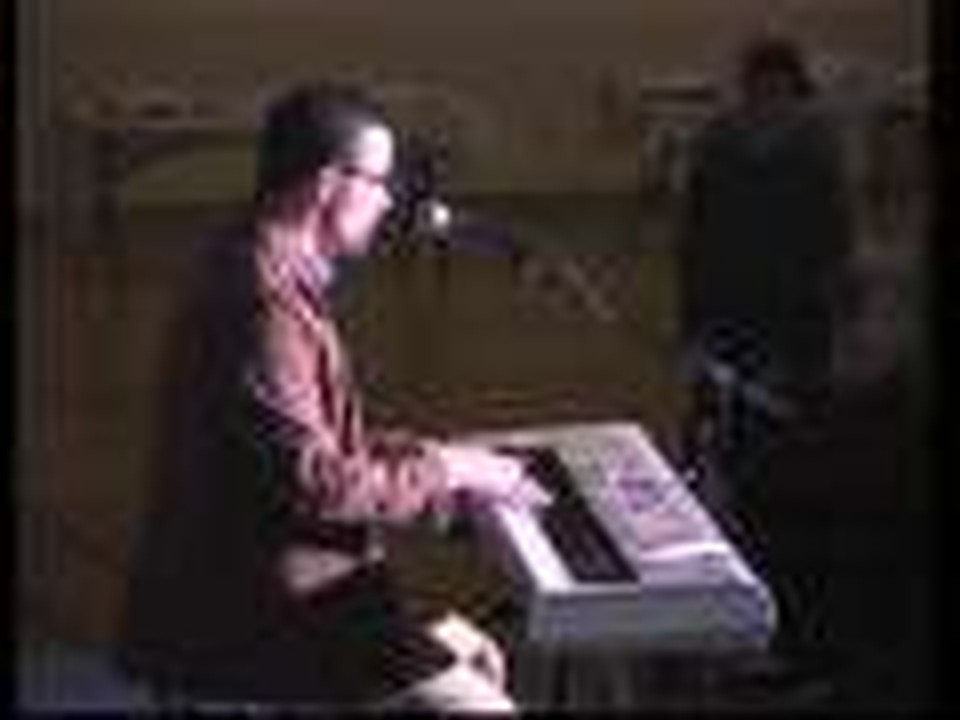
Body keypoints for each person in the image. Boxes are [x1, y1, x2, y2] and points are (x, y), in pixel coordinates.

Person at [116, 81, 548, 711]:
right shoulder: (262, 305)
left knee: (473, 650)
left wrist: (448, 481)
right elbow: (317, 485)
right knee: (486, 708)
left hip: (291, 598)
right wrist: (451, 468)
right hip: (258, 622)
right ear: (326, 184)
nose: (388, 199)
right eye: (378, 181)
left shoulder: (264, 263)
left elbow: (305, 447)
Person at [677, 35, 854, 515]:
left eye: (781, 89)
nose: (769, 99)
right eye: (760, 87)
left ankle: (787, 505)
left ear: (796, 90)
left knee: (788, 412)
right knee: (713, 411)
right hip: (725, 300)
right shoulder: (717, 143)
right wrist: (692, 317)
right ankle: (703, 501)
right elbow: (694, 234)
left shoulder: (816, 147)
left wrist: (831, 304)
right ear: (747, 88)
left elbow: (834, 234)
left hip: (794, 306)